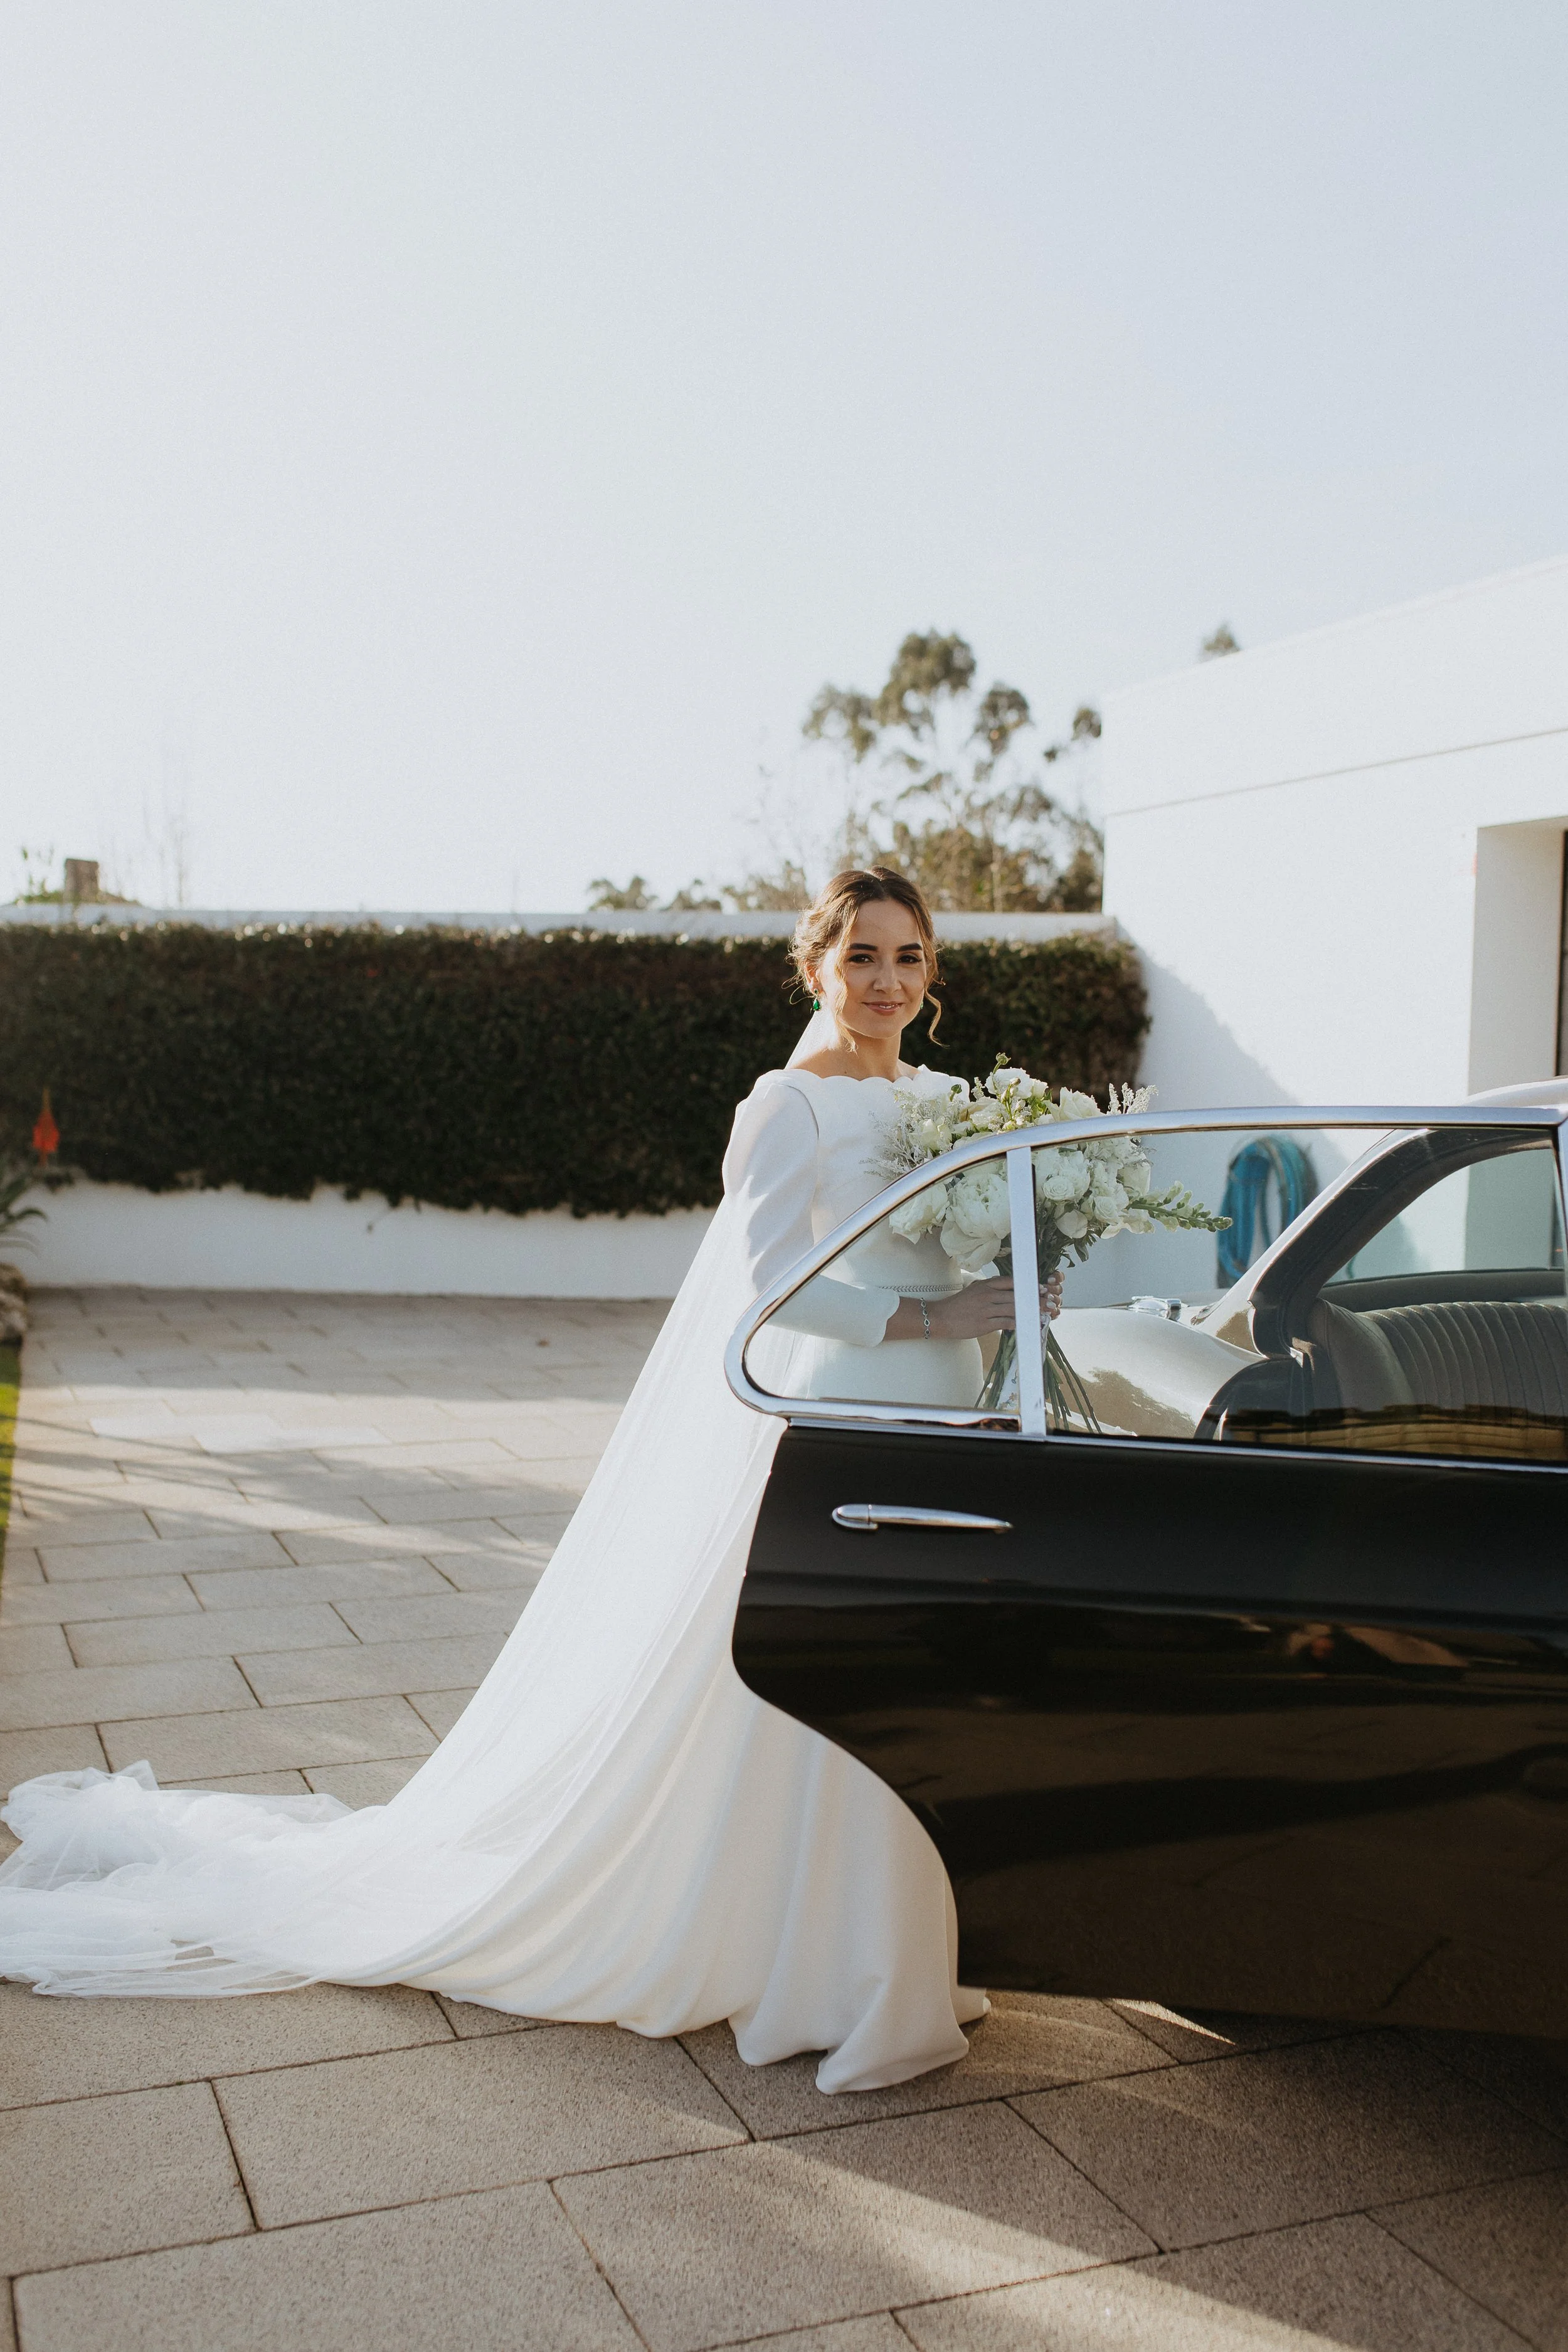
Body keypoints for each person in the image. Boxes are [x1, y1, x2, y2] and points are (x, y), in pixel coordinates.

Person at [0, 869, 1043, 2092]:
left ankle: (901, 1948)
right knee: (825, 1681)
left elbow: (974, 1233)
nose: (884, 981)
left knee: (917, 1678)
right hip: (843, 1412)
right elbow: (772, 1290)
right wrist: (929, 1318)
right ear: (815, 967)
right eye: (860, 955)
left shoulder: (952, 1103)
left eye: (907, 957)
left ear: (932, 976)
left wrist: (1019, 1272)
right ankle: (816, 1962)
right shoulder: (787, 1108)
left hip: (946, 1416)